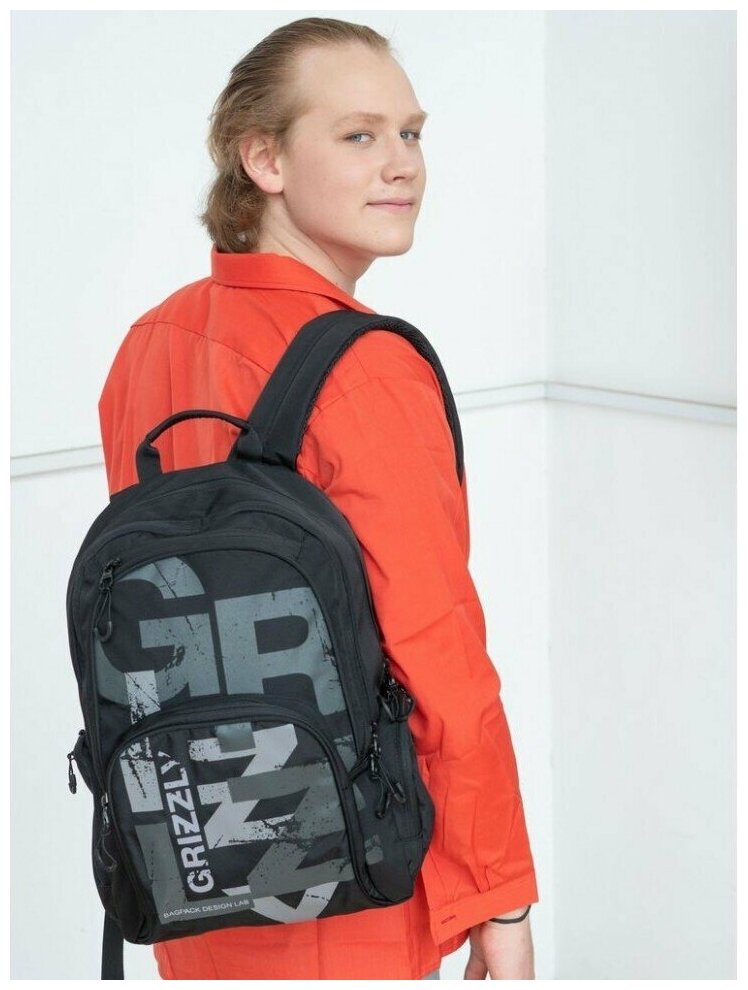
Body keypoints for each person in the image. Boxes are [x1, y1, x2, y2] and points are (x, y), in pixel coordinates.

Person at [97, 16, 538, 981]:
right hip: (348, 882)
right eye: (358, 135)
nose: (402, 164)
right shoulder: (367, 370)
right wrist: (498, 897)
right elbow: (439, 656)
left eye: (411, 133)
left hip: (189, 864)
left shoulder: (148, 345)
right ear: (264, 159)